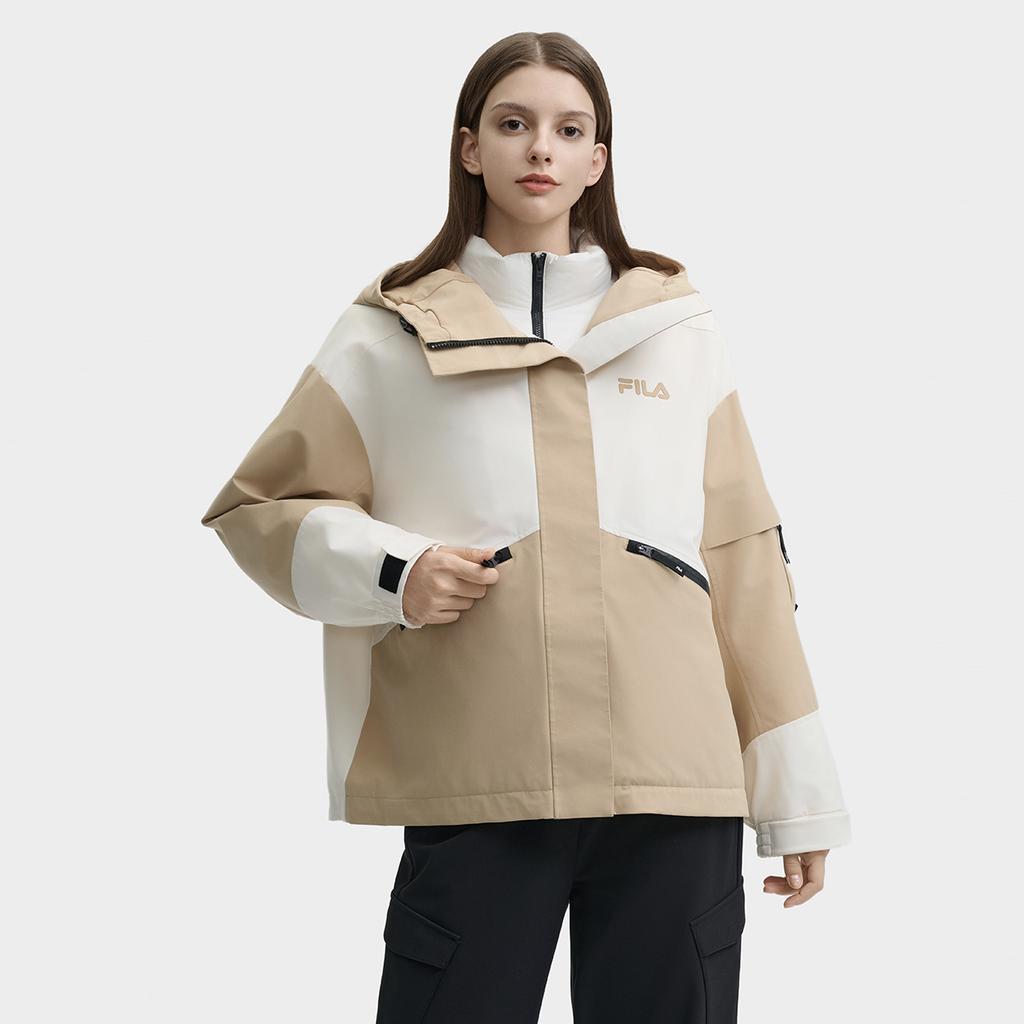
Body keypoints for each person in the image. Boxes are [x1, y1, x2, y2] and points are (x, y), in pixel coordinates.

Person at [200, 30, 852, 1024]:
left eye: (568, 129)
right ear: (470, 148)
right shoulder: (387, 334)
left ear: (598, 159)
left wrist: (796, 795)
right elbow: (258, 508)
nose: (540, 148)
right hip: (480, 779)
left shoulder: (680, 333)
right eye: (513, 124)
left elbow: (745, 565)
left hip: (674, 784)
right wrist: (396, 571)